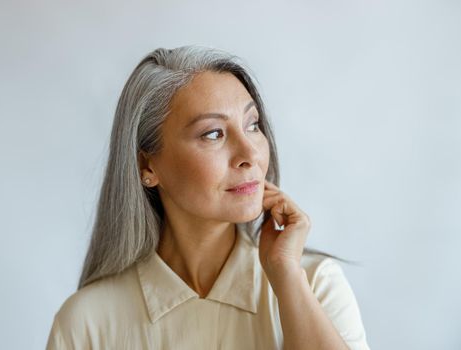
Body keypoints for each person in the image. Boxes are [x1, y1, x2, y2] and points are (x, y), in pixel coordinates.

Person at [45, 45, 370, 350]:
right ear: (147, 165)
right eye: (213, 133)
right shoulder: (86, 323)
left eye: (253, 125)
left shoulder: (314, 283)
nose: (250, 154)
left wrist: (286, 276)